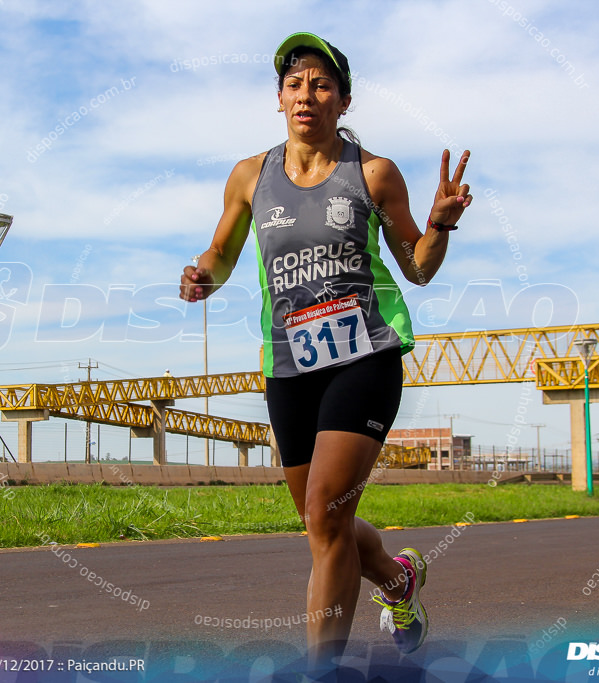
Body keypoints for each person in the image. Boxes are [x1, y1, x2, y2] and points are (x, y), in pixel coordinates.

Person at [179, 31, 472, 670]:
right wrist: (202, 272)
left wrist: (441, 224)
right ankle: (399, 581)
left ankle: (320, 668)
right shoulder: (249, 177)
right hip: (289, 365)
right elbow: (222, 255)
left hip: (365, 354)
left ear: (343, 101)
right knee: (322, 524)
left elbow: (417, 267)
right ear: (279, 99)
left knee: (326, 515)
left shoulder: (373, 174)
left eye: (321, 84)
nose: (305, 94)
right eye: (294, 84)